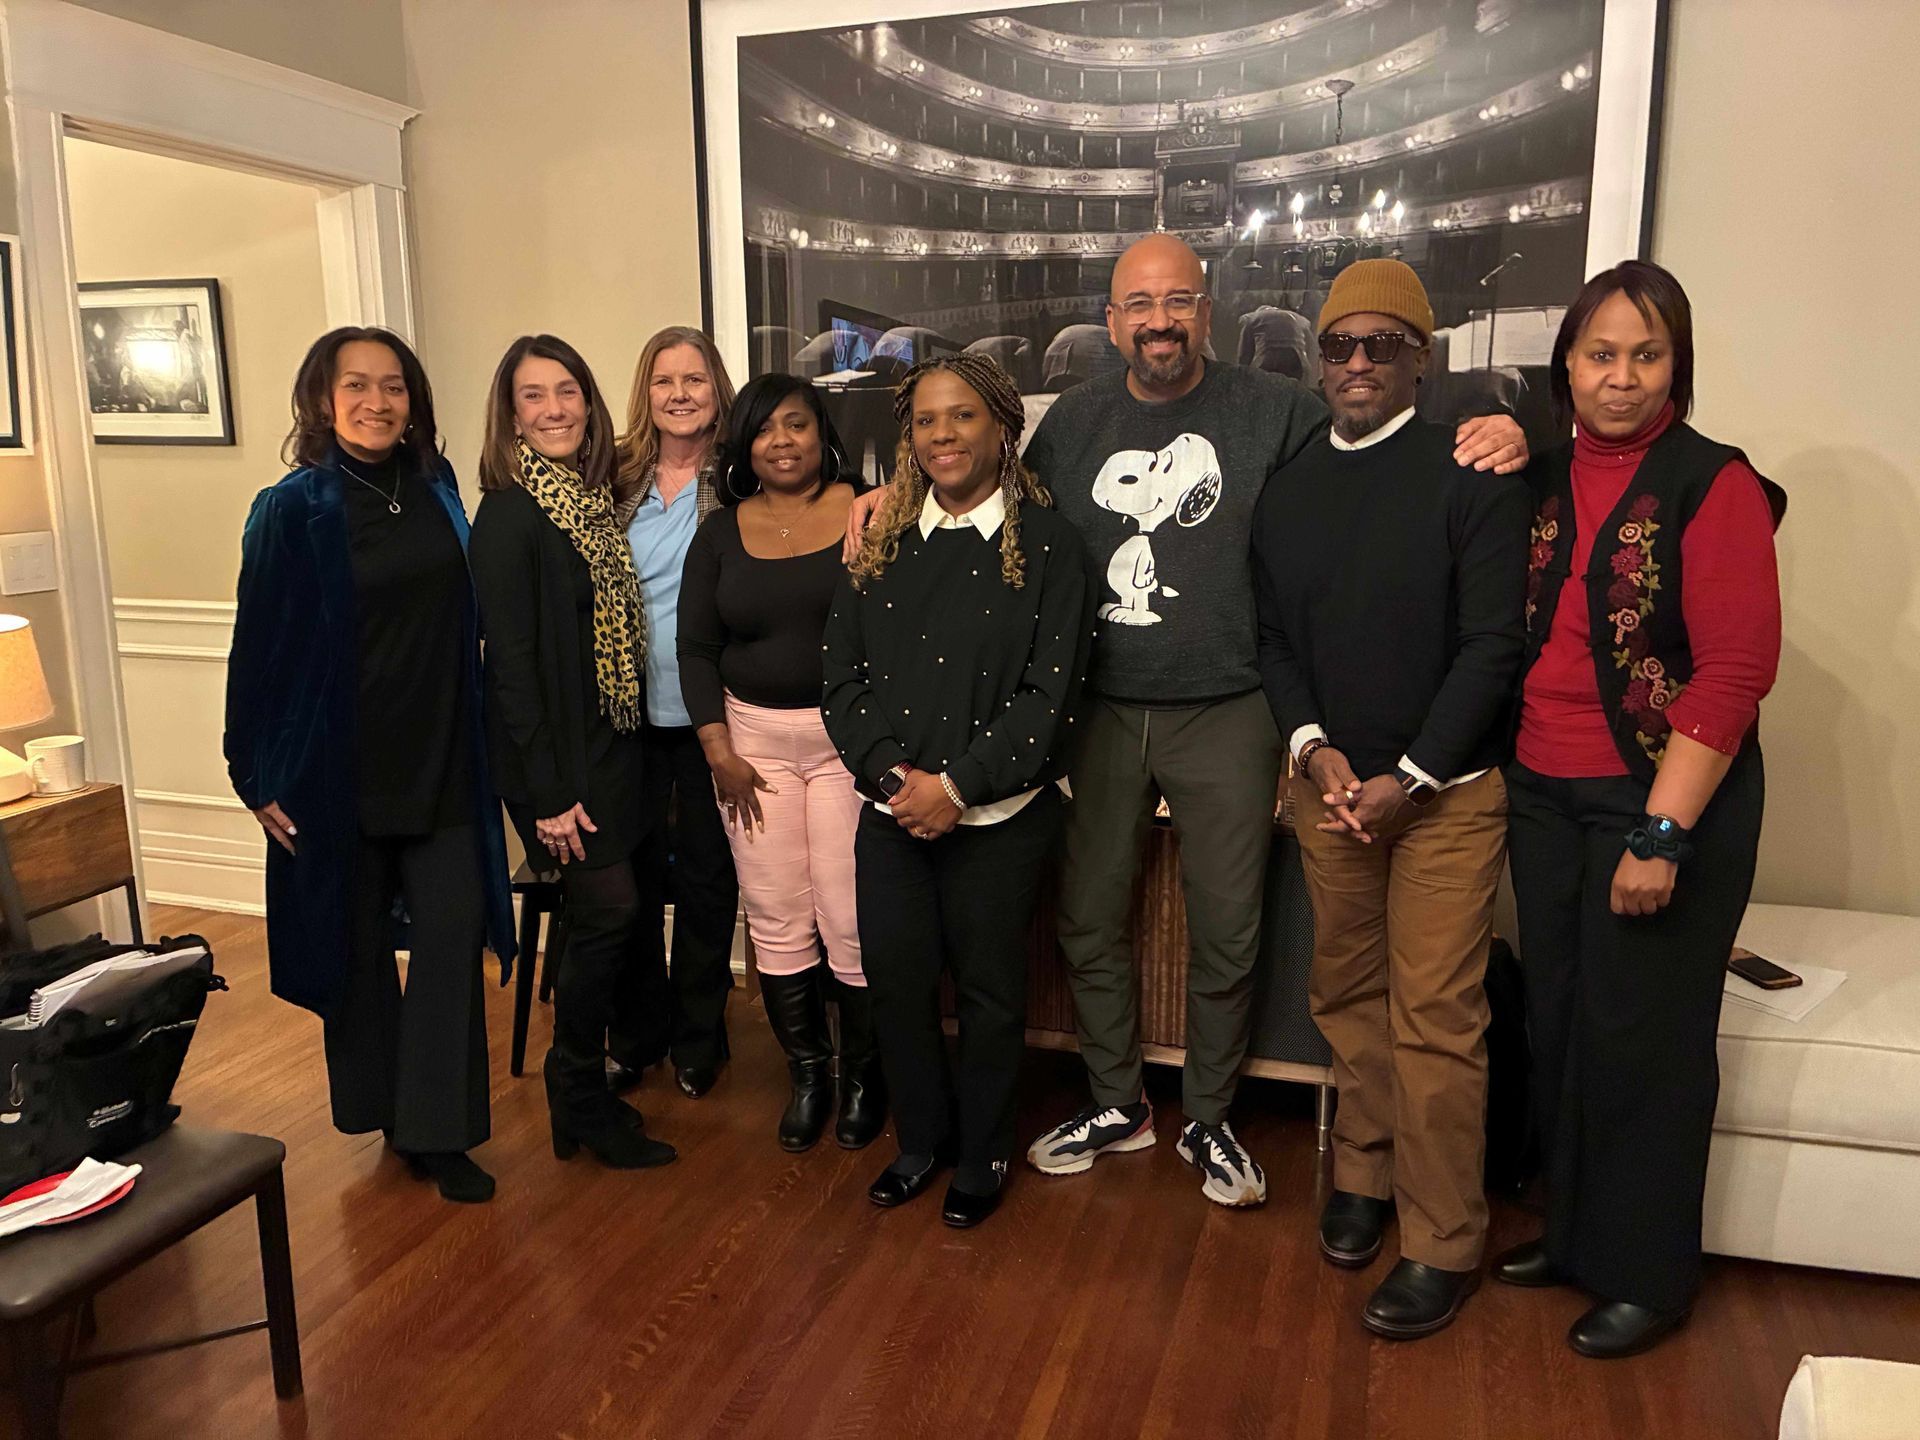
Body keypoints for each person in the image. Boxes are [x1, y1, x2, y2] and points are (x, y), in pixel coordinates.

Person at [846, 234, 1528, 1209]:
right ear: (1113, 320)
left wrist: (1496, 430)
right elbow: (986, 500)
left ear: (1207, 311)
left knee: (1227, 926)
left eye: (1178, 301)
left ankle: (1207, 1115)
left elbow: (1372, 431)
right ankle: (1117, 1100)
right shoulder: (1071, 425)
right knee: (1088, 916)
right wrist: (884, 496)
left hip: (1233, 705)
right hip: (1098, 708)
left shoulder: (1277, 411)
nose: (1159, 320)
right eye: (1139, 303)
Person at [1492, 261, 1785, 1358]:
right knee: (1564, 1025)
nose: (1621, 378)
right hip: (1543, 792)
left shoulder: (1717, 484)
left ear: (1679, 366)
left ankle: (1648, 1273)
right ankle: (1573, 1236)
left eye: (1646, 356)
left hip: (1661, 801)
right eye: (1601, 354)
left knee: (1646, 1041)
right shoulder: (1544, 474)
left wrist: (1662, 834)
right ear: (1565, 363)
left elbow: (1734, 674)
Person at [1252, 260, 1530, 1337]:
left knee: (1437, 1021)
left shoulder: (1473, 472)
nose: (1359, 362)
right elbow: (1277, 641)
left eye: (1383, 344)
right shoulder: (1291, 488)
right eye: (1340, 345)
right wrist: (1317, 754)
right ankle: (1361, 1180)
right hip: (1331, 797)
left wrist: (1408, 779)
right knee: (1346, 1002)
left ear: (1421, 356)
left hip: (1446, 799)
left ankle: (1444, 1236)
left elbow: (1492, 646)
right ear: (1319, 361)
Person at [224, 327, 517, 1204]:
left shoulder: (437, 487)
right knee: (353, 954)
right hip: (337, 769)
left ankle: (441, 1130)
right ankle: (385, 1110)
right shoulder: (292, 508)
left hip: (442, 754)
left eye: (394, 387)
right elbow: (258, 649)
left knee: (450, 932)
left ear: (414, 402)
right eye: (357, 386)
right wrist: (254, 772)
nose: (377, 402)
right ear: (322, 398)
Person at [823, 353, 1093, 1228]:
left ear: (1003, 426)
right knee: (897, 988)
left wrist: (958, 788)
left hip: (1002, 819)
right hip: (890, 812)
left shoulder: (1052, 547)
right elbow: (842, 680)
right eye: (927, 421)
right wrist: (899, 781)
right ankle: (919, 1144)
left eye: (963, 417)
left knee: (987, 995)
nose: (943, 435)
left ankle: (981, 1153)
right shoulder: (879, 539)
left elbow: (1048, 701)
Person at [469, 334, 675, 1170]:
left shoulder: (590, 504)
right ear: (509, 412)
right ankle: (577, 1090)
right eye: (532, 396)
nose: (553, 409)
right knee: (610, 913)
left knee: (616, 917)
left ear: (589, 405)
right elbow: (510, 670)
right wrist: (548, 795)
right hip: (554, 761)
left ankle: (588, 1086)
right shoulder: (511, 513)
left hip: (612, 745)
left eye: (567, 392)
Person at [678, 373, 883, 1152]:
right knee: (774, 912)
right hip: (750, 747)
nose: (783, 442)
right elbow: (696, 647)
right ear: (745, 447)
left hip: (845, 747)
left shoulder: (867, 507)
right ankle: (809, 1075)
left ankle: (866, 1078)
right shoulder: (721, 532)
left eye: (797, 425)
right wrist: (717, 749)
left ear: (820, 433)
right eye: (765, 430)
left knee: (849, 915)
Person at [608, 327, 742, 1099]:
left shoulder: (741, 479)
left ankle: (699, 1037)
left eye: (695, 379)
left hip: (710, 718)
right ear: (646, 392)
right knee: (623, 885)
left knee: (704, 884)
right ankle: (636, 1036)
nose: (681, 393)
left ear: (716, 389)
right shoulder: (611, 479)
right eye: (665, 381)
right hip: (622, 717)